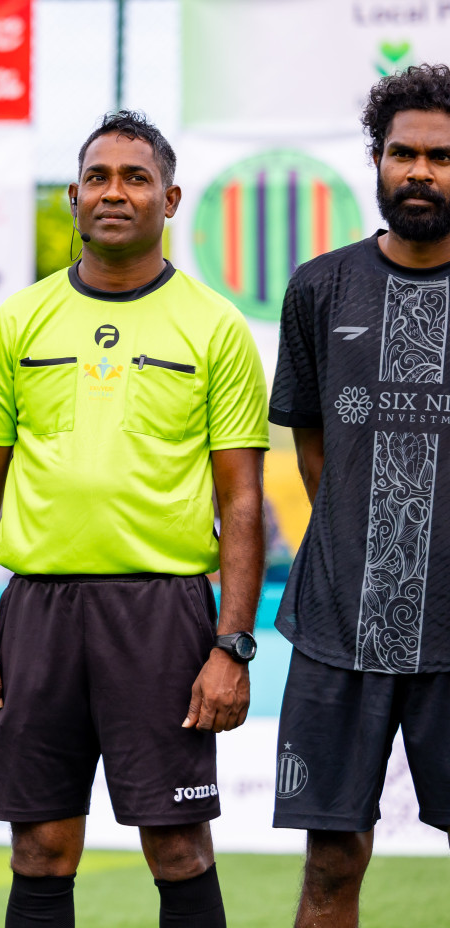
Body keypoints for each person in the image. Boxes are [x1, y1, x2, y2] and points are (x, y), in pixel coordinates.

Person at [0, 111, 269, 928]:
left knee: (178, 847)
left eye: (136, 177)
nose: (115, 192)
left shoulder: (215, 325)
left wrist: (232, 645)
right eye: (99, 178)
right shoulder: (19, 321)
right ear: (74, 195)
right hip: (38, 611)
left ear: (172, 197)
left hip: (164, 613)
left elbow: (243, 501)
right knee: (41, 848)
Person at [269, 64, 450, 928]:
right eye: (404, 153)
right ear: (375, 162)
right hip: (341, 625)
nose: (421, 171)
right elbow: (314, 450)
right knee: (331, 867)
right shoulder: (319, 287)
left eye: (442, 157)